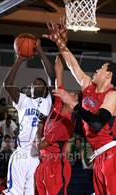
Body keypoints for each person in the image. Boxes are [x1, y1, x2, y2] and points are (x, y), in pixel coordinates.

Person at [45, 21, 116, 195]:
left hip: (112, 155)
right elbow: (72, 64)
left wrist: (73, 103)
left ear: (108, 75)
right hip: (100, 156)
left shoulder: (113, 95)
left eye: (101, 68)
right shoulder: (89, 87)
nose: (97, 70)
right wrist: (60, 43)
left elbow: (98, 124)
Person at [3, 38, 55, 195]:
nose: (37, 83)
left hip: (37, 157)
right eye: (34, 83)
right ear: (30, 89)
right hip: (21, 154)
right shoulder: (23, 101)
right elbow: (8, 85)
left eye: (40, 83)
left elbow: (53, 77)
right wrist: (20, 58)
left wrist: (39, 51)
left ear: (45, 89)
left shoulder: (47, 102)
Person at [35, 55, 74, 195]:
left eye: (74, 95)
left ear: (74, 104)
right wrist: (61, 44)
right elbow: (58, 69)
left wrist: (39, 129)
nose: (71, 93)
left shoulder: (65, 124)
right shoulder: (58, 104)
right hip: (44, 163)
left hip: (56, 166)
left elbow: (39, 145)